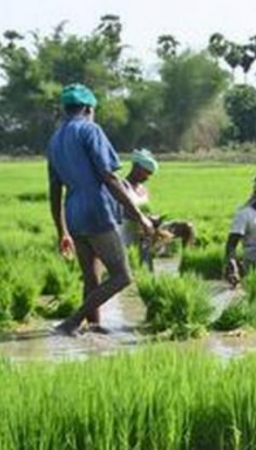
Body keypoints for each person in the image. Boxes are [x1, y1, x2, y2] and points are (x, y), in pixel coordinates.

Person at [47, 83, 154, 335]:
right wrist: (140, 217)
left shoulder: (55, 140)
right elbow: (110, 177)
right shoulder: (90, 130)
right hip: (96, 211)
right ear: (88, 108)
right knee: (122, 276)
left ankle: (92, 326)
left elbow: (54, 190)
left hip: (73, 213)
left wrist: (61, 231)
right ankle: (71, 322)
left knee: (91, 276)